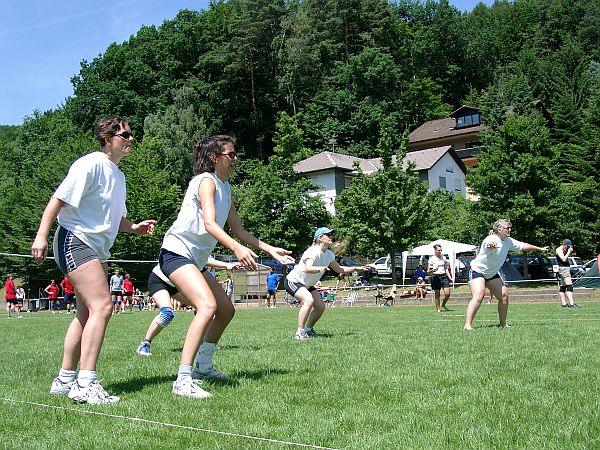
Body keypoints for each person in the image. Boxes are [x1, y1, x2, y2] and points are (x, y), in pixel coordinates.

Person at [140, 135, 294, 399]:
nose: (235, 158)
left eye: (235, 154)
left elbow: (239, 230)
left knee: (225, 310)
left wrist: (270, 249)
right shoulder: (205, 182)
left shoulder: (226, 188)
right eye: (230, 154)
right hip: (176, 252)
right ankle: (183, 380)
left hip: (195, 260)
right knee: (207, 306)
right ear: (214, 158)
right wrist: (236, 249)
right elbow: (210, 224)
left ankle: (203, 366)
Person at [31, 115, 156, 404]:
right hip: (75, 239)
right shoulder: (90, 164)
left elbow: (115, 218)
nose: (131, 139)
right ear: (108, 139)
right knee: (103, 306)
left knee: (86, 313)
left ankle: (65, 379)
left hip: (97, 248)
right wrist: (41, 236)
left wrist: (134, 228)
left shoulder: (119, 176)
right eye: (125, 135)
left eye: (131, 134)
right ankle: (85, 383)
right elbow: (58, 199)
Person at [135, 258, 240, 357]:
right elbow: (205, 260)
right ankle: (145, 344)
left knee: (206, 309)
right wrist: (226, 265)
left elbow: (205, 260)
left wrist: (227, 265)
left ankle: (204, 342)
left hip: (176, 285)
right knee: (166, 314)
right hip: (159, 281)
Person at [464, 219, 548, 331]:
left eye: (510, 227)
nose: (510, 229)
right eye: (507, 228)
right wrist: (490, 245)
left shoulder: (508, 241)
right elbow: (489, 244)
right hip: (477, 271)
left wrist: (539, 249)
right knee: (479, 295)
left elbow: (523, 246)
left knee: (504, 295)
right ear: (499, 230)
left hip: (491, 273)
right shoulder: (491, 238)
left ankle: (503, 324)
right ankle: (467, 325)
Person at [285, 227, 368, 340]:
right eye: (328, 235)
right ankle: (299, 333)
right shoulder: (312, 251)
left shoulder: (329, 254)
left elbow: (339, 269)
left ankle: (308, 330)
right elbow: (308, 268)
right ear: (320, 238)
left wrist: (356, 268)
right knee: (308, 301)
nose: (331, 237)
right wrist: (319, 268)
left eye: (331, 234)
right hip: (294, 281)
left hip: (308, 284)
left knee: (320, 307)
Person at [427, 244, 452, 312]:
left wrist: (450, 277)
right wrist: (433, 270)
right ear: (435, 250)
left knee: (447, 293)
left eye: (441, 250)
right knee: (437, 294)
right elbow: (428, 271)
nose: (440, 251)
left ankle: (443, 304)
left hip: (444, 276)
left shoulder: (444, 257)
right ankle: (438, 309)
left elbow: (446, 268)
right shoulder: (431, 259)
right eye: (438, 250)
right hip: (435, 277)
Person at [556, 239, 577, 308]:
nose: (568, 247)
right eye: (568, 246)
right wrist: (568, 252)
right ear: (564, 244)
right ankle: (571, 304)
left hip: (564, 269)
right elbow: (563, 259)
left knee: (563, 286)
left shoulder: (564, 249)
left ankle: (564, 304)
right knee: (569, 286)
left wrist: (568, 251)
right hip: (564, 269)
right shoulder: (559, 250)